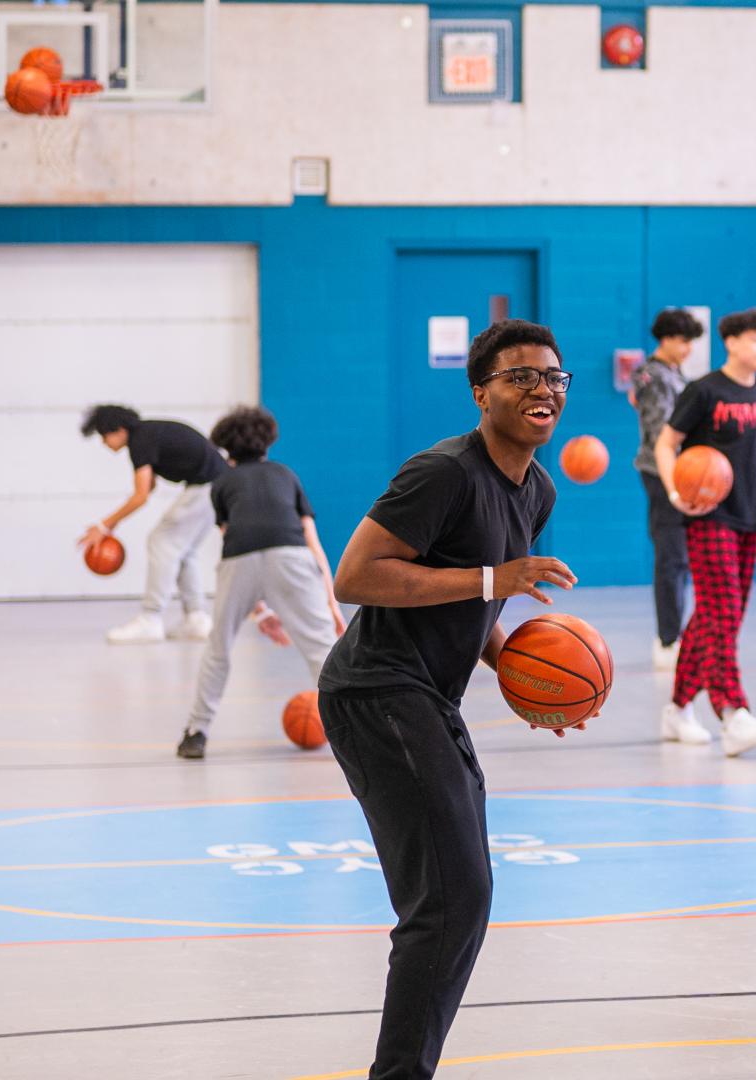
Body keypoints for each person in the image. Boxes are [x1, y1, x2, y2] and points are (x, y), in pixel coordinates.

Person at [317, 318, 583, 1080]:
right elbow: (356, 576)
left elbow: (481, 610)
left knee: (462, 894)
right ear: (482, 394)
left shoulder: (537, 488)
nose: (543, 388)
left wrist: (525, 674)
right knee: (449, 897)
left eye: (554, 377)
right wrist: (495, 580)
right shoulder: (444, 473)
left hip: (427, 697)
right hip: (375, 692)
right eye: (522, 377)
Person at [174, 405, 345, 760]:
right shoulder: (285, 474)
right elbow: (312, 543)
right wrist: (329, 602)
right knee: (323, 650)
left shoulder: (221, 485)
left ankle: (196, 732)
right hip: (292, 557)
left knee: (218, 647)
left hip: (239, 560)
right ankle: (355, 729)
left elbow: (237, 544)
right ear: (267, 443)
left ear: (226, 450)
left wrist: (259, 609)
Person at [654, 308, 756, 754]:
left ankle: (677, 710)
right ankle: (733, 713)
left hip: (751, 516)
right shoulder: (704, 390)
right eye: (755, 340)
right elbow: (666, 443)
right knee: (723, 612)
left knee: (717, 616)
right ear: (729, 341)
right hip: (709, 516)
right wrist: (675, 493)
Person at [79, 404, 229, 644]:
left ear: (117, 429)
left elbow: (140, 497)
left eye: (103, 435)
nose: (104, 443)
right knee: (183, 550)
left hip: (207, 487)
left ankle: (150, 618)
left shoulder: (140, 440)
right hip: (218, 485)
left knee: (161, 540)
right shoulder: (148, 434)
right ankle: (196, 619)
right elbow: (148, 487)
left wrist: (103, 525)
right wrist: (112, 524)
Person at [630, 307, 705, 671]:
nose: (688, 348)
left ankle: (675, 635)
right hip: (663, 474)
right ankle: (667, 640)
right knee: (671, 557)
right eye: (684, 340)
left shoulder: (673, 373)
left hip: (682, 473)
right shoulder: (653, 375)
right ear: (667, 339)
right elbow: (663, 432)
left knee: (682, 560)